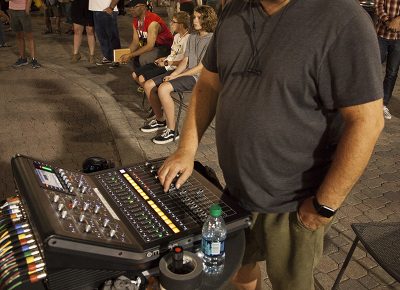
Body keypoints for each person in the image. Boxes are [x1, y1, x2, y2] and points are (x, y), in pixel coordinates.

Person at [157, 0, 384, 289]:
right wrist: (186, 149)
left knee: (291, 285)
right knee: (238, 268)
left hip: (294, 202)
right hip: (236, 191)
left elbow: (368, 122)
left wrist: (324, 206)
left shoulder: (344, 18)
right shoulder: (235, 10)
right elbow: (209, 85)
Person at [140, 5, 216, 144]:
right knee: (148, 84)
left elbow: (200, 67)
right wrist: (174, 73)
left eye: (199, 18)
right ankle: (160, 120)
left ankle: (172, 131)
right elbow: (186, 60)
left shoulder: (212, 40)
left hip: (199, 77)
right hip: (186, 73)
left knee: (163, 88)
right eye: (194, 17)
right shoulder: (192, 37)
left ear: (207, 19)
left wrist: (175, 76)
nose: (195, 21)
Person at [132, 11, 190, 90]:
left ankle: (152, 92)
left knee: (142, 78)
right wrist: (163, 58)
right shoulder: (176, 36)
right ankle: (150, 92)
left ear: (181, 24)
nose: (171, 24)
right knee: (134, 74)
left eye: (173, 22)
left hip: (171, 67)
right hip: (166, 62)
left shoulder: (188, 39)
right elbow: (173, 54)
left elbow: (185, 62)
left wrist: (166, 63)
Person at [121, 0, 173, 69]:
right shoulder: (135, 20)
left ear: (143, 7)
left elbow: (150, 46)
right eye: (130, 7)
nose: (131, 9)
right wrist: (125, 54)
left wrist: (130, 55)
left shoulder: (153, 21)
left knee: (143, 58)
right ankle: (141, 75)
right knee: (135, 57)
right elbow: (135, 42)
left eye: (134, 7)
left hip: (164, 47)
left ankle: (152, 75)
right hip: (151, 45)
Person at [376, 0, 400, 120]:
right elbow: (378, 5)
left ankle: (383, 104)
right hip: (382, 34)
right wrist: (388, 21)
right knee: (373, 68)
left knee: (392, 72)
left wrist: (398, 20)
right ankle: (368, 100)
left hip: (399, 38)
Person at [9, 0, 41, 68]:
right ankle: (23, 58)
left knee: (29, 36)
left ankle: (33, 59)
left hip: (23, 9)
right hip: (12, 9)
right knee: (19, 35)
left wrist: (27, 8)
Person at [89, 0, 121, 66]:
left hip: (107, 9)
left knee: (112, 36)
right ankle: (108, 57)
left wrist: (111, 7)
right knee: (101, 36)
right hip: (96, 9)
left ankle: (117, 59)